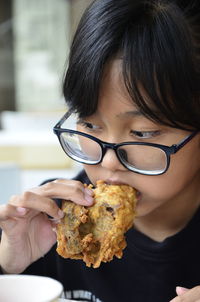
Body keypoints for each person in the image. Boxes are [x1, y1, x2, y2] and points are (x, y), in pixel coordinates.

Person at [0, 0, 200, 301]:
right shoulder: (46, 221)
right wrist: (8, 272)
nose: (108, 161)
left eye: (142, 132)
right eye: (90, 125)